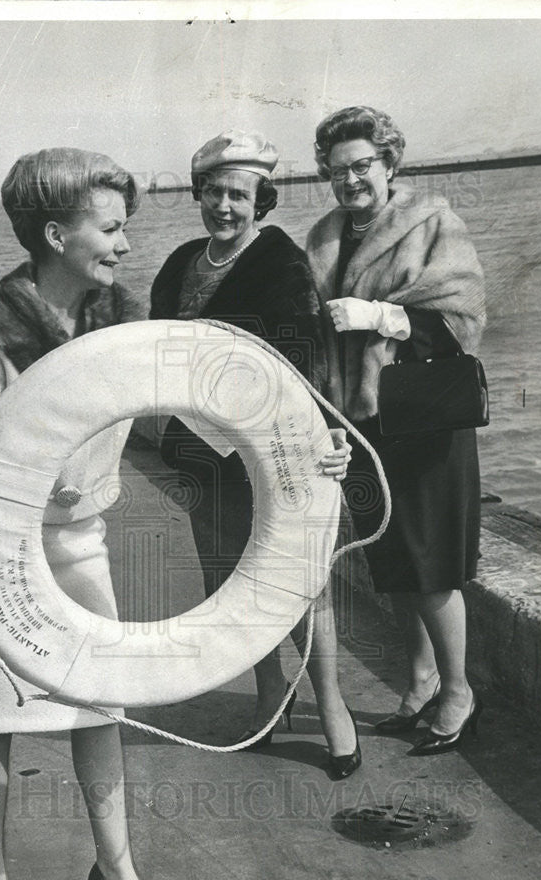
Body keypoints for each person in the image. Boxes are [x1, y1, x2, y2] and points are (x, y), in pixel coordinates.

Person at [0, 148, 186, 880]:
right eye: (109, 228)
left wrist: (297, 442)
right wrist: (0, 530)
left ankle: (117, 870)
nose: (122, 243)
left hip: (80, 550)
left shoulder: (120, 315)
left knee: (97, 709)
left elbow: (192, 404)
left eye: (125, 228)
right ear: (54, 233)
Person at [150, 130, 360, 777]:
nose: (223, 206)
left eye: (238, 195)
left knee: (298, 583)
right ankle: (271, 697)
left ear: (260, 199)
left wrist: (334, 433)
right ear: (198, 194)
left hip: (275, 453)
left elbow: (316, 360)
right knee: (231, 584)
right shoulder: (180, 263)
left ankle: (331, 711)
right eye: (213, 192)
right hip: (202, 453)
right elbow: (154, 351)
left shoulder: (280, 263)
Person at [305, 106, 487, 755]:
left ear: (388, 163)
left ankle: (458, 691)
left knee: (432, 566)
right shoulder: (323, 236)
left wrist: (382, 315)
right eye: (337, 169)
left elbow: (464, 321)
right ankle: (418, 683)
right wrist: (323, 420)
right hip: (359, 426)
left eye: (361, 165)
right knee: (392, 563)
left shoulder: (432, 220)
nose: (350, 179)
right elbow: (318, 344)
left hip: (424, 422)